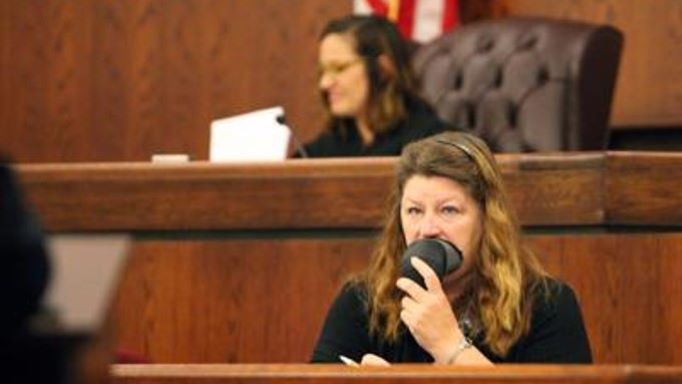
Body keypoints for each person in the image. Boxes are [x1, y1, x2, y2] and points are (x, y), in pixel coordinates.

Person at [310, 131, 592, 365]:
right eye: (414, 211)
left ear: (486, 219)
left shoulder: (547, 306)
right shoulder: (362, 302)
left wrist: (449, 345)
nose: (428, 228)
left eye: (448, 210)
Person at [301, 15, 450, 157]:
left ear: (382, 69)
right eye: (323, 71)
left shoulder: (435, 145)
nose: (324, 83)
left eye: (340, 68)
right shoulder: (329, 145)